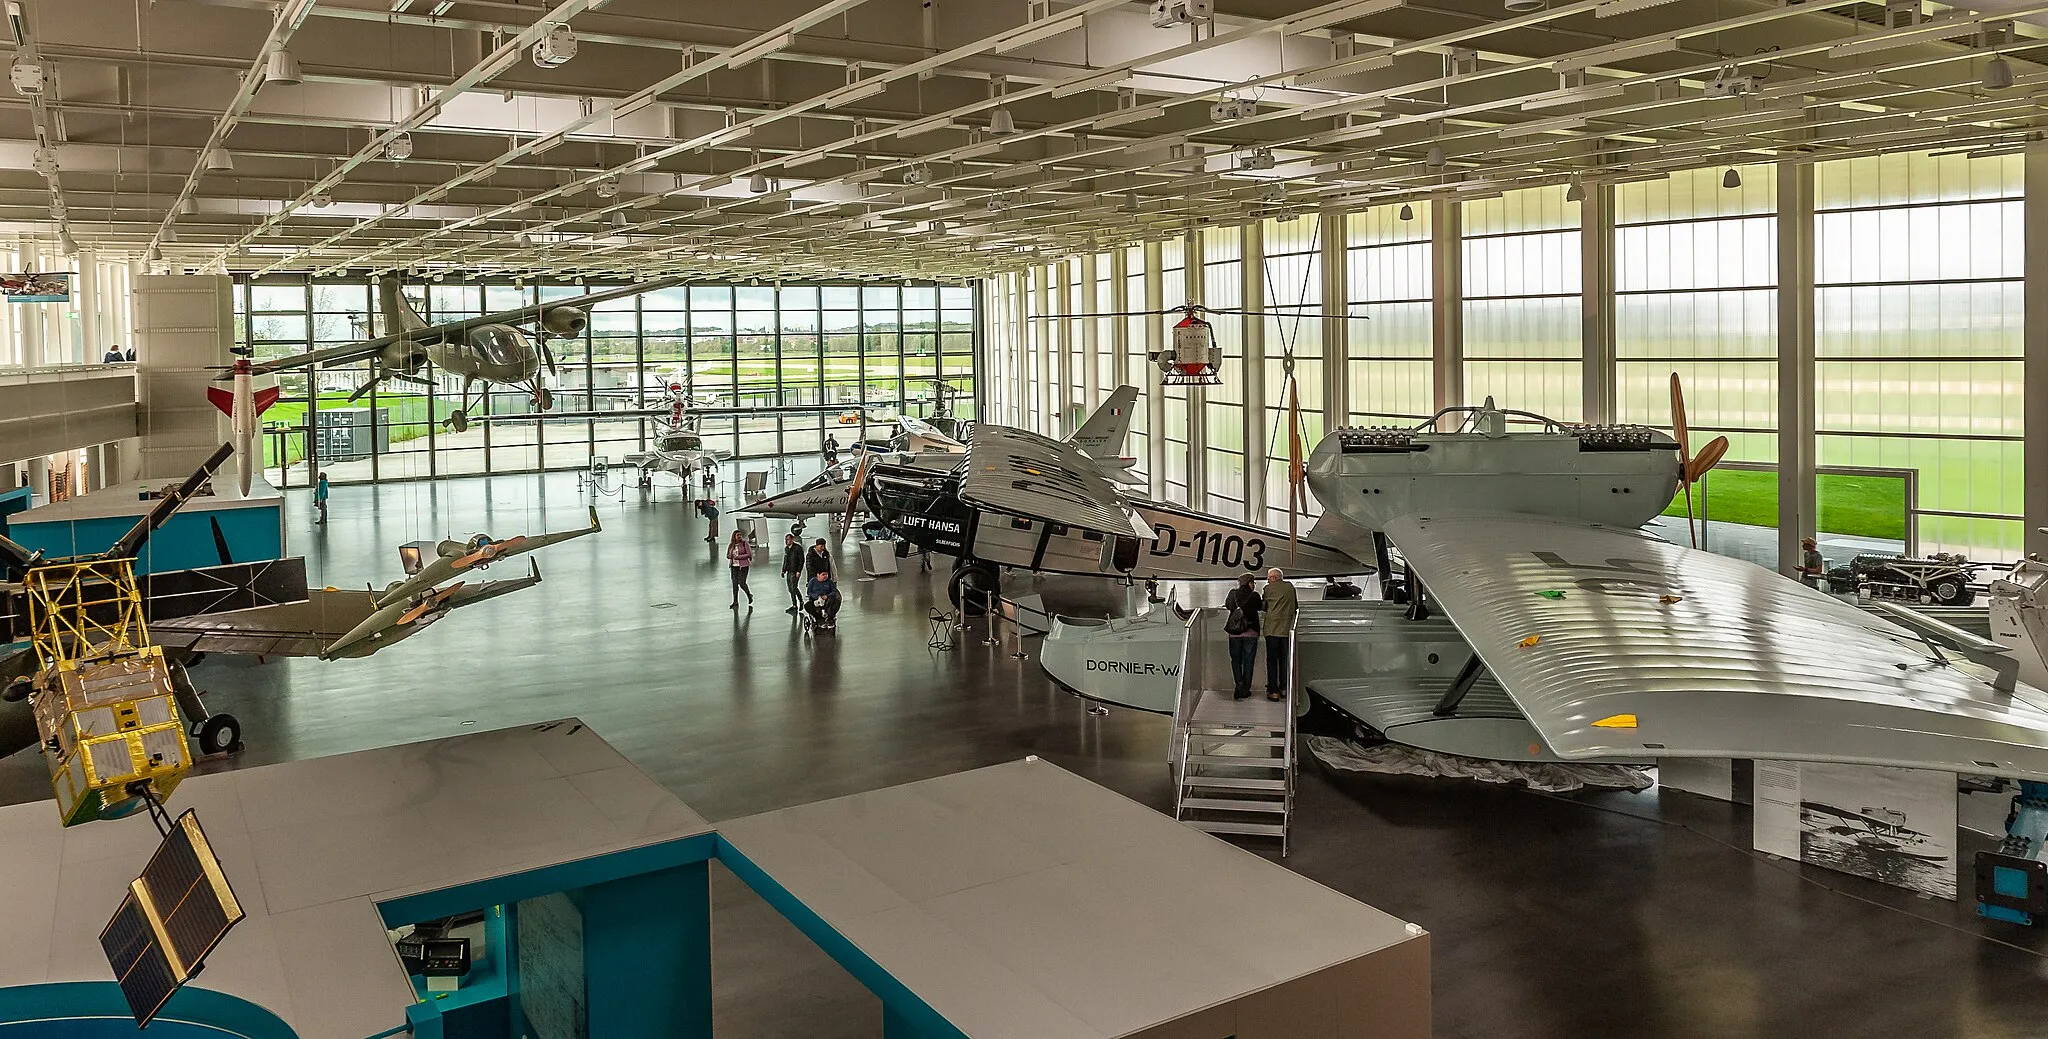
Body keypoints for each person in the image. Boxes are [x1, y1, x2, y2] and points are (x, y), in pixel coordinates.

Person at [1222, 573, 1263, 700]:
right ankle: (1245, 689)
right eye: (1253, 583)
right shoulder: (1254, 595)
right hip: (1251, 633)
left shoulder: (1232, 593)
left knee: (1235, 660)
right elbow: (1261, 607)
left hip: (1234, 633)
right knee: (1248, 662)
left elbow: (1228, 605)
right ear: (1250, 583)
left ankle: (1238, 684)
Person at [1262, 568, 1298, 702]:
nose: (1267, 580)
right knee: (1284, 660)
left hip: (1272, 629)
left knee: (1272, 661)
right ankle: (1284, 688)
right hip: (1287, 630)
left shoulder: (1268, 589)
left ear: (1274, 578)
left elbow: (1264, 607)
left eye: (1268, 578)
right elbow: (1295, 606)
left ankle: (1273, 690)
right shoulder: (1290, 587)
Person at [726, 530, 755, 609]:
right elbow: (728, 555)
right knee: (735, 584)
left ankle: (749, 595)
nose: (739, 536)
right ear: (734, 536)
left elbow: (749, 554)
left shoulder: (745, 543)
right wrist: (731, 556)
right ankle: (735, 602)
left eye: (740, 535)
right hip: (734, 566)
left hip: (743, 566)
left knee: (742, 583)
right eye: (737, 535)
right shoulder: (731, 545)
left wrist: (739, 557)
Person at [779, 533, 805, 614]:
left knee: (794, 588)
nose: (787, 541)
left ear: (792, 539)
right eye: (786, 540)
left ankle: (799, 602)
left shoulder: (798, 548)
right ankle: (794, 605)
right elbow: (786, 559)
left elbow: (801, 560)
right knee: (790, 589)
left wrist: (799, 571)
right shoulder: (787, 549)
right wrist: (783, 569)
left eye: (788, 539)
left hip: (795, 571)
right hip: (789, 571)